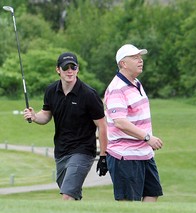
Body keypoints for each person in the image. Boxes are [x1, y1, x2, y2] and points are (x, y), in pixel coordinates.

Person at [23, 52, 108, 200]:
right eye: (66, 67)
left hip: (83, 151)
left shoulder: (89, 94)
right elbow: (46, 114)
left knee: (67, 195)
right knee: (72, 197)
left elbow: (102, 126)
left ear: (77, 69)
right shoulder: (51, 90)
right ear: (58, 70)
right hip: (61, 151)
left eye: (73, 67)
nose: (70, 71)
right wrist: (35, 116)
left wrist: (103, 156)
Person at [104, 44, 163, 202]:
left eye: (140, 57)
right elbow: (120, 122)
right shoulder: (117, 88)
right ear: (123, 63)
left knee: (152, 193)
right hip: (125, 155)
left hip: (144, 154)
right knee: (129, 204)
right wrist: (147, 137)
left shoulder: (136, 83)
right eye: (135, 58)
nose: (140, 60)